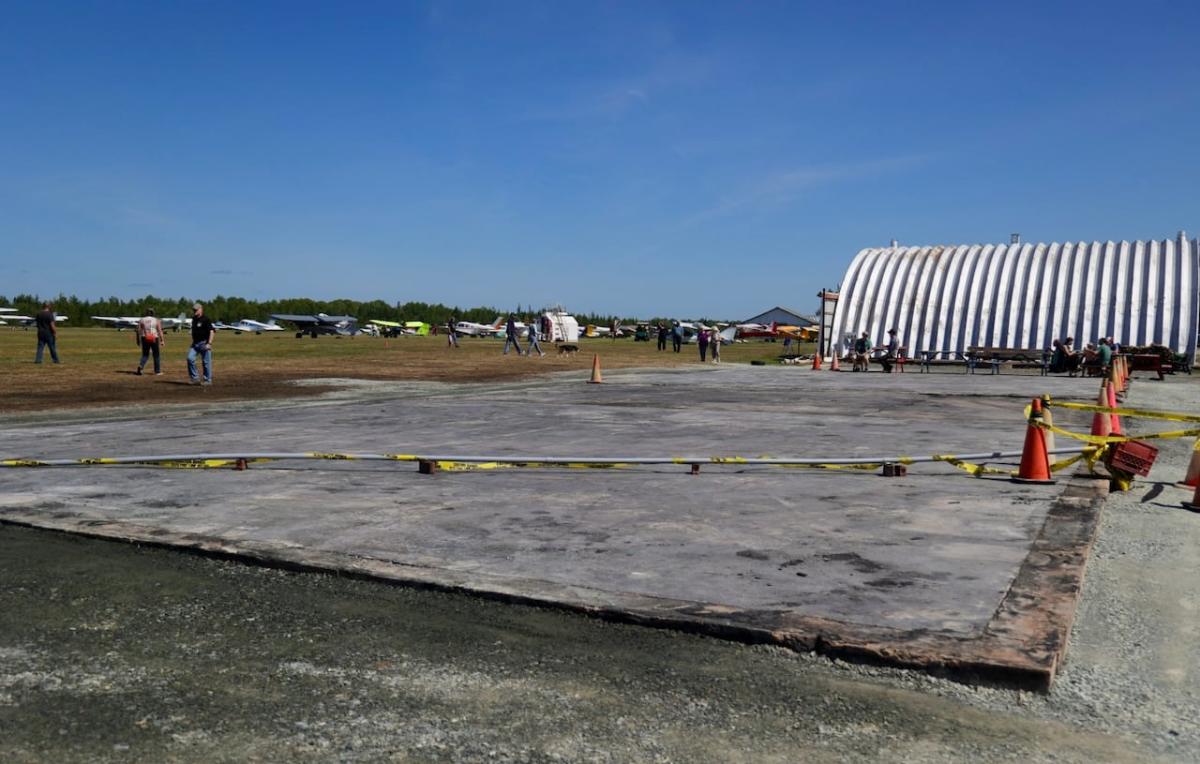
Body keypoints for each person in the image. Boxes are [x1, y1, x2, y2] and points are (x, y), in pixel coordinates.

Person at [187, 302, 216, 386]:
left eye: (196, 309)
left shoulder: (206, 319)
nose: (194, 311)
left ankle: (208, 380)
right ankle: (195, 378)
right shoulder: (194, 319)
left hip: (204, 343)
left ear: (201, 309)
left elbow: (212, 331)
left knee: (206, 362)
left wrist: (209, 343)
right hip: (195, 344)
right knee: (190, 358)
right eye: (193, 309)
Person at [135, 308, 165, 375]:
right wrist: (162, 340)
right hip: (154, 337)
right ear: (153, 313)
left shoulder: (141, 320)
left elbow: (138, 331)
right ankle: (157, 371)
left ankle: (141, 366)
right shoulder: (156, 320)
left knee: (145, 355)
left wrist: (137, 340)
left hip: (144, 337)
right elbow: (160, 331)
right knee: (156, 355)